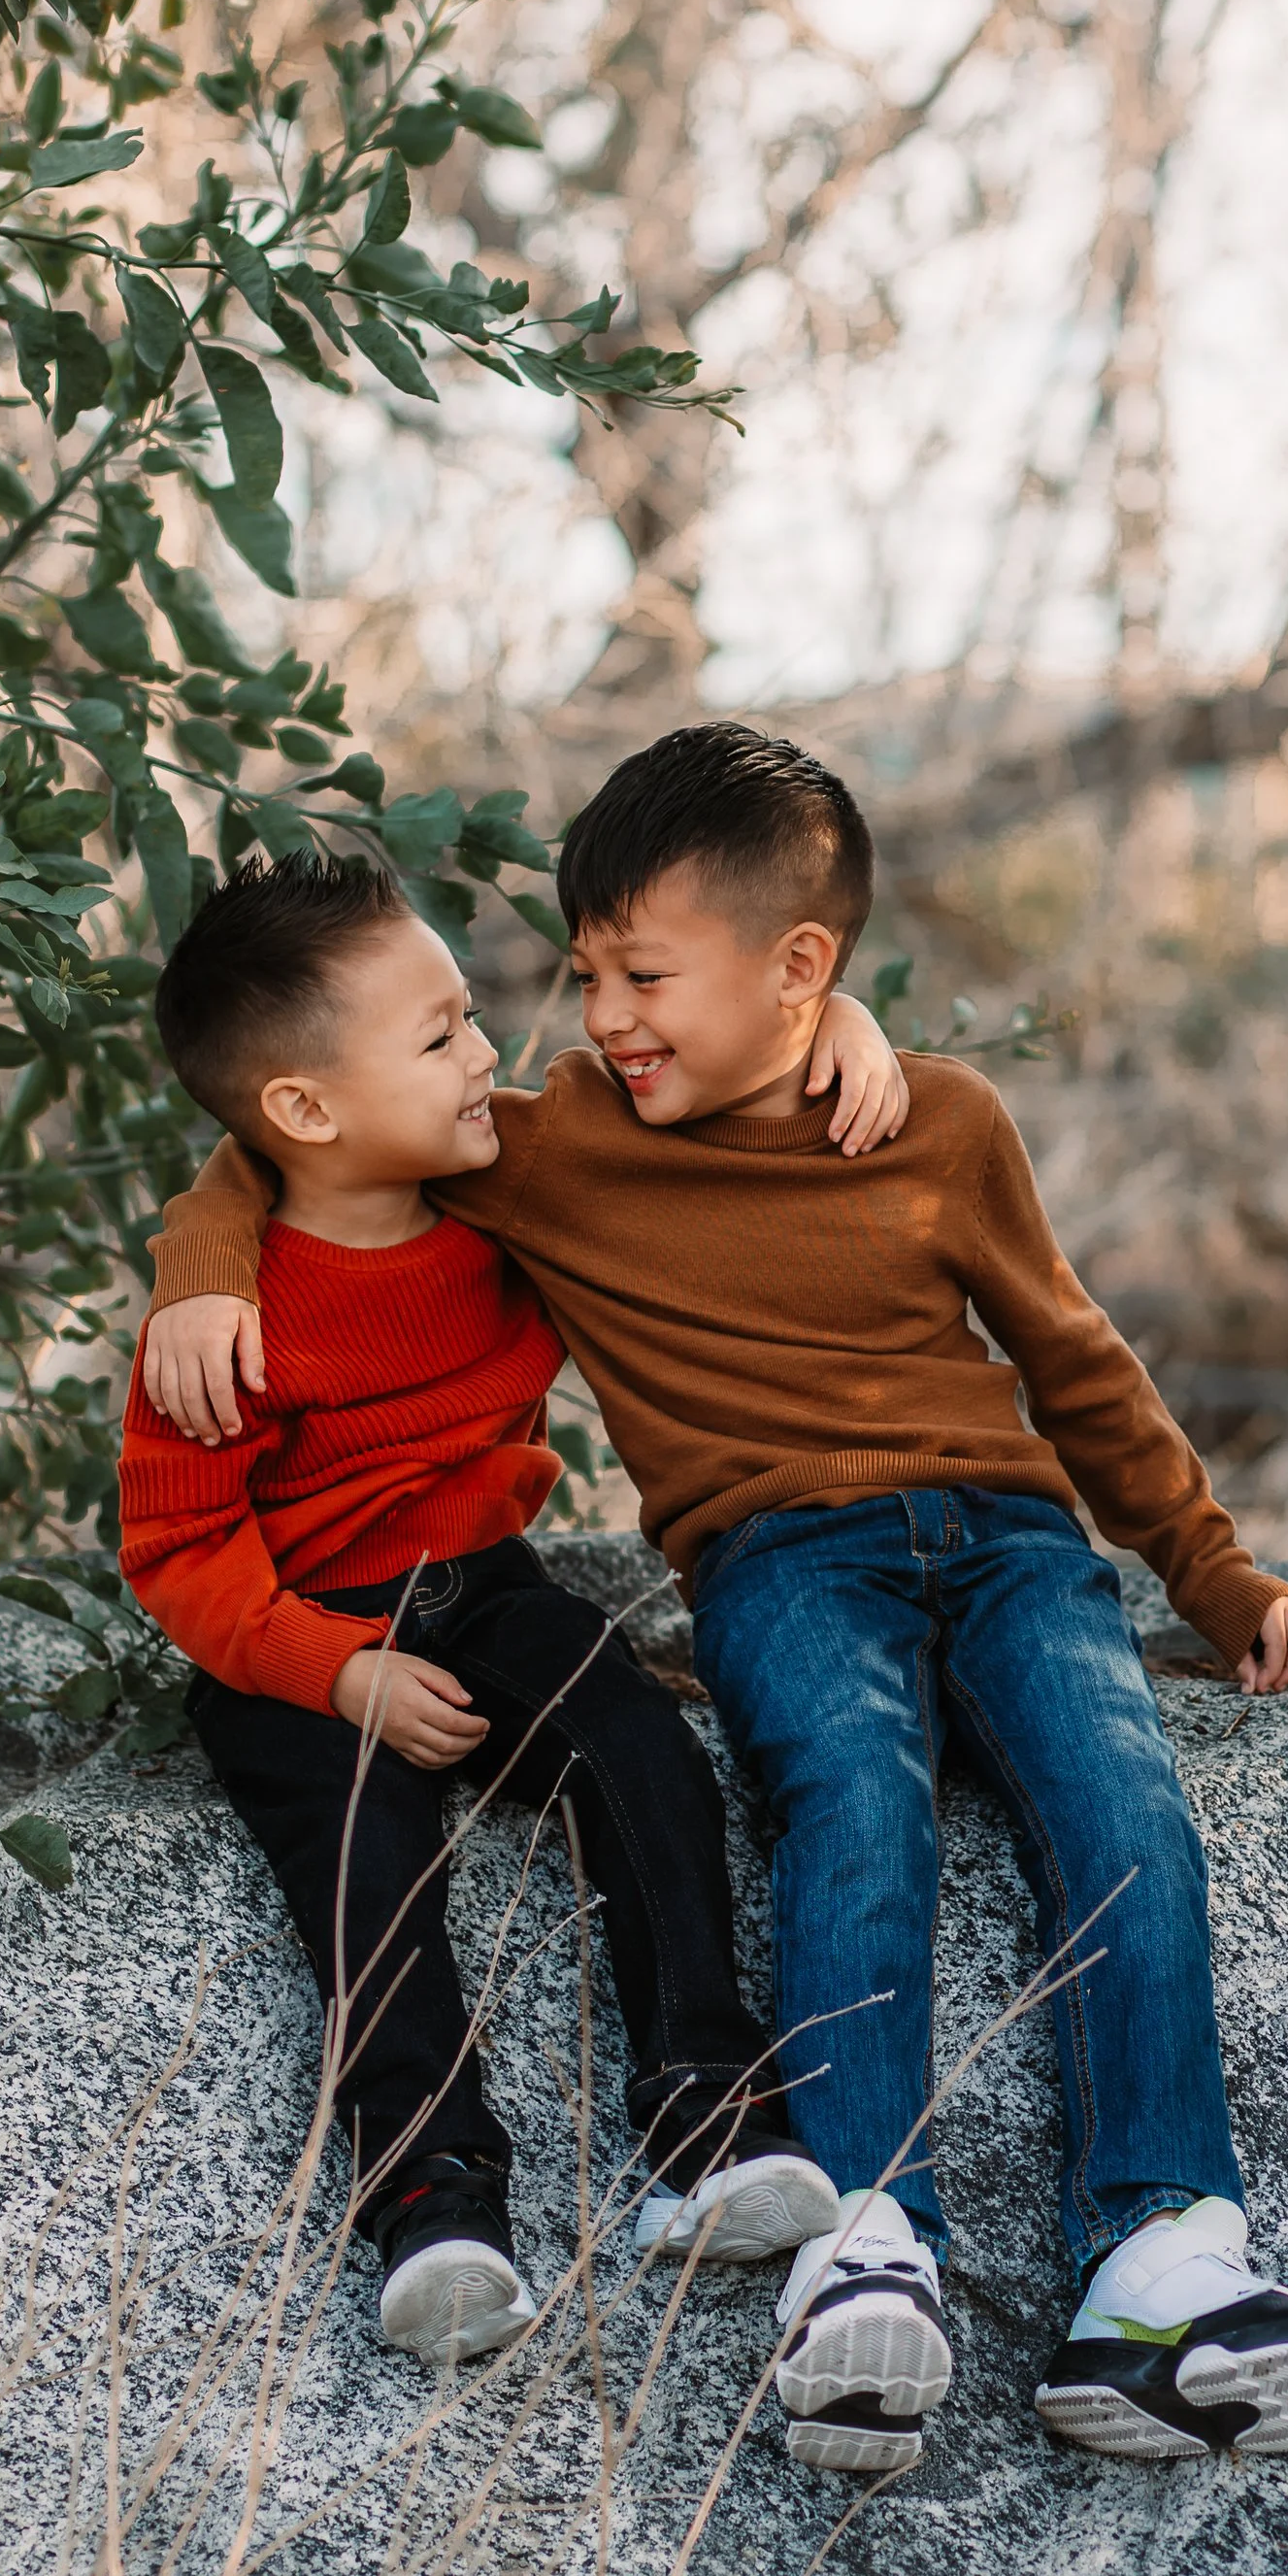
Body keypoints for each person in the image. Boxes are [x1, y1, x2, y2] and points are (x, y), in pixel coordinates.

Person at [141, 727, 1288, 2477]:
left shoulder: (939, 1115)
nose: (596, 1017)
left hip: (1023, 1538)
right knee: (844, 1803)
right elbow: (298, 1133)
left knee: (1125, 1813)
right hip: (782, 1554)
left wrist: (1205, 1559)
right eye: (584, 973)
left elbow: (1074, 1356)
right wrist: (194, 1271)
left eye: (640, 974)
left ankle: (1165, 2270)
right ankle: (868, 2237)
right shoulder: (561, 1139)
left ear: (801, 967)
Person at [118, 843, 908, 2367]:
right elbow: (180, 1554)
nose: (491, 1051)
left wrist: (845, 1034)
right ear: (305, 1109)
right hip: (301, 1635)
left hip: (485, 1587)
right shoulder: (222, 1332)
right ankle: (435, 2193)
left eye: (470, 1014)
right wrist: (338, 1672)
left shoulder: (500, 1184)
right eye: (440, 1036)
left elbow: (706, 1099)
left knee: (638, 1747)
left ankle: (708, 2109)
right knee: (370, 1873)